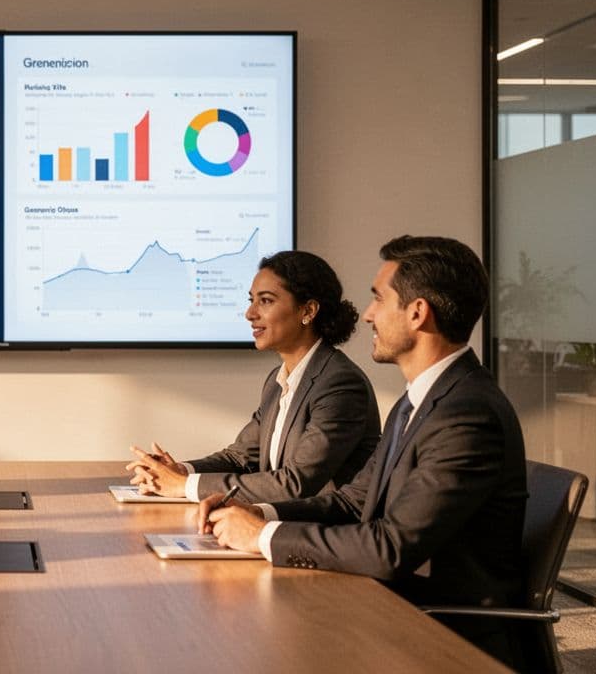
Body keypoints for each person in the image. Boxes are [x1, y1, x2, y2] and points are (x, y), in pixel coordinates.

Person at [204, 236, 528, 669]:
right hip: (391, 605)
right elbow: (351, 502)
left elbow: (391, 547)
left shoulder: (466, 415)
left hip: (440, 636)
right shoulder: (419, 402)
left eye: (379, 298)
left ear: (417, 313)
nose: (369, 314)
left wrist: (261, 537)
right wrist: (259, 513)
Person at [127, 251, 379, 503]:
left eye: (266, 301)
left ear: (308, 310)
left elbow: (295, 484)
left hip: (322, 525)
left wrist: (184, 486)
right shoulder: (277, 380)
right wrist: (180, 471)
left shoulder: (339, 384)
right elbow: (241, 458)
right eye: (252, 300)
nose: (250, 313)